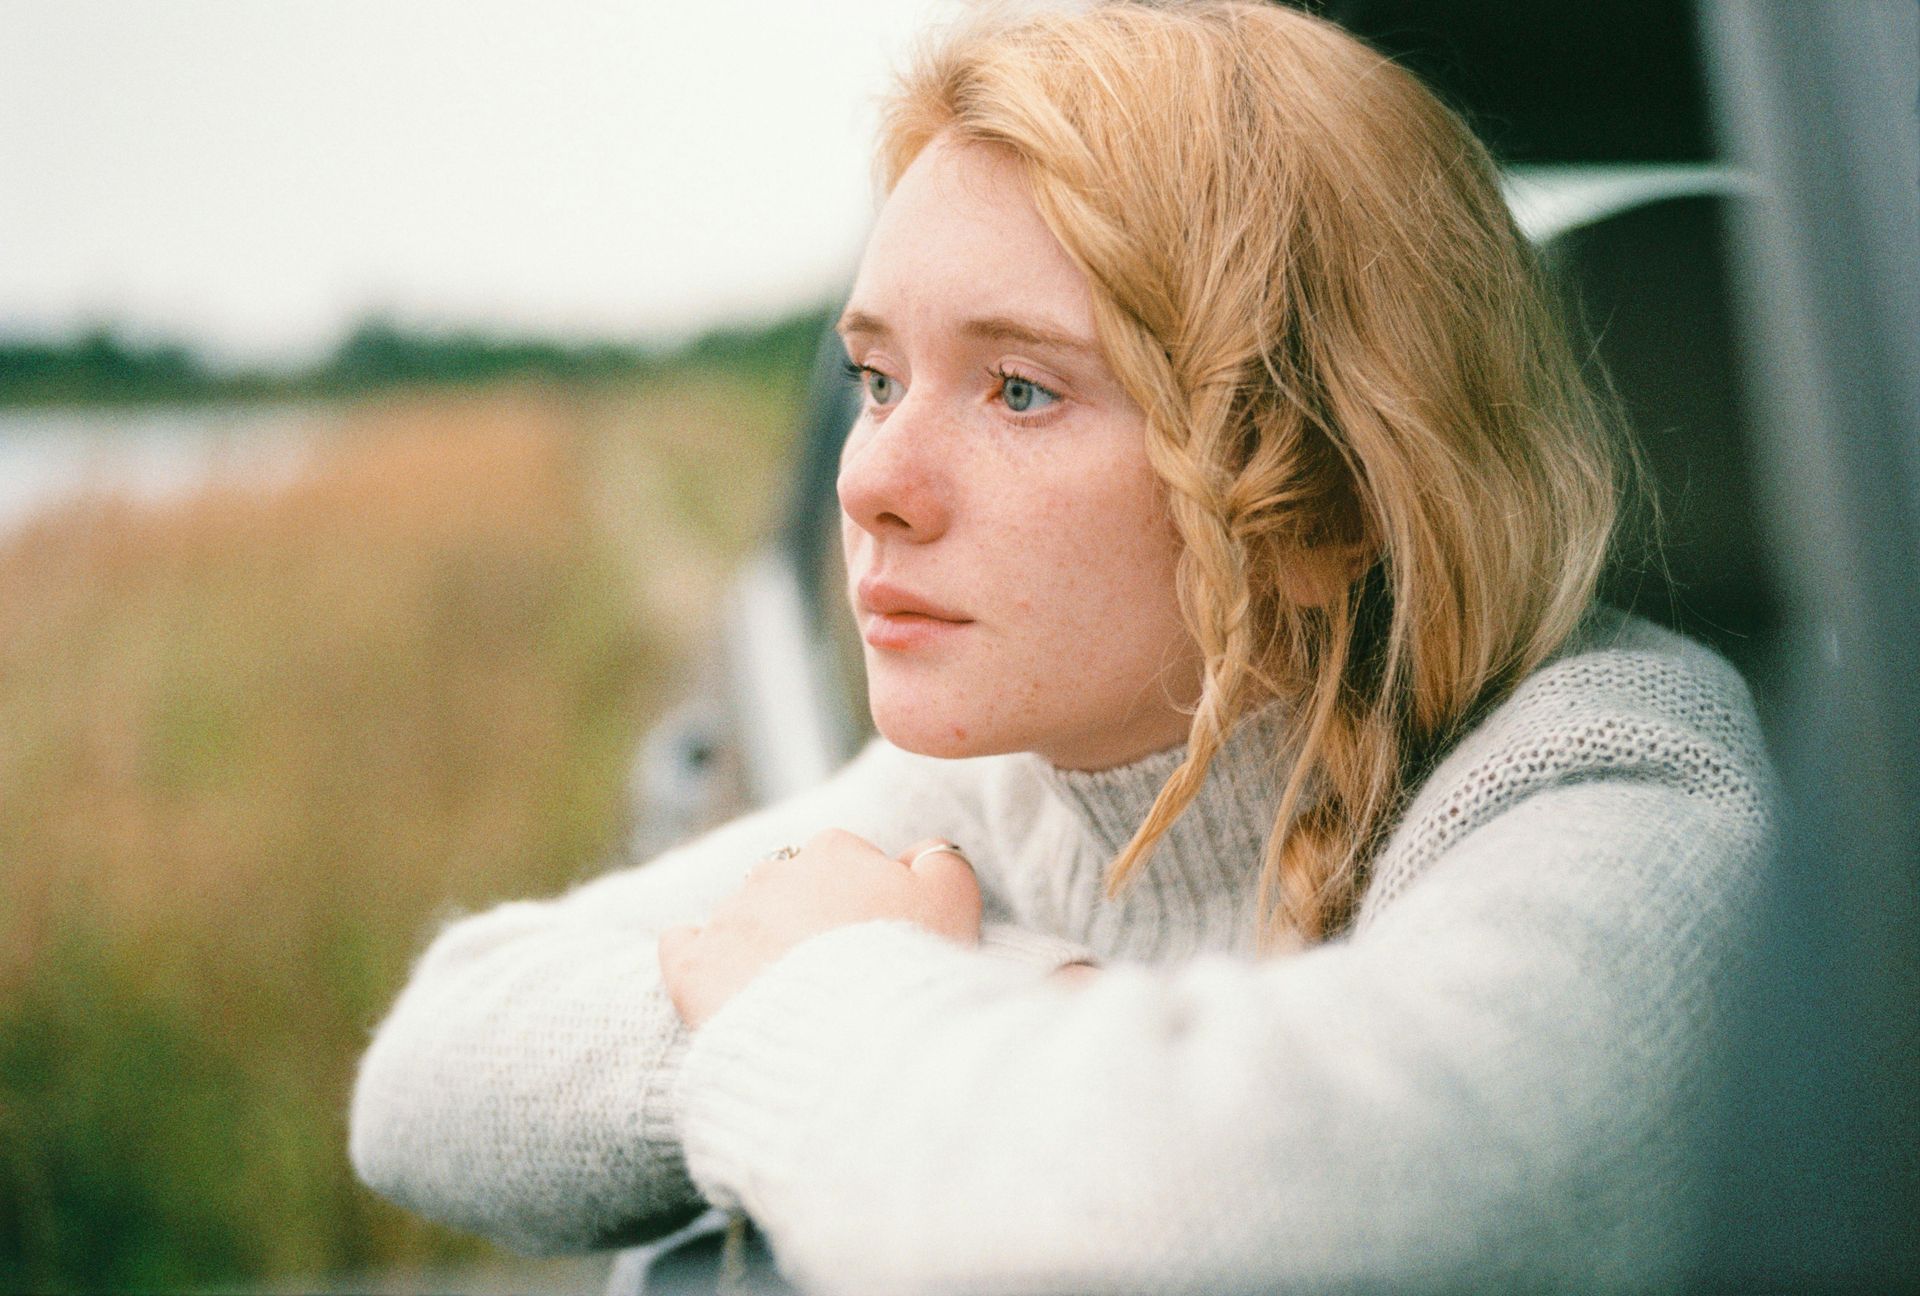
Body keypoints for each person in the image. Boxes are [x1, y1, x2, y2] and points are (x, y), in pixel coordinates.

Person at [349, 3, 1774, 1292]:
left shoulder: (1615, 771)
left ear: (1326, 497)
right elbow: (430, 1071)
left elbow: (1357, 1210)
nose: (867, 481)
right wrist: (944, 996)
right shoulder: (1007, 791)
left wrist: (840, 990)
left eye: (1019, 389)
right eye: (876, 378)